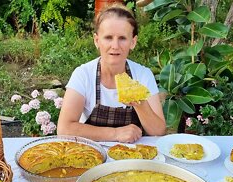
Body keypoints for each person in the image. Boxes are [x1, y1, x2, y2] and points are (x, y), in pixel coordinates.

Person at [57, 4, 166, 143]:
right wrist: (115, 134)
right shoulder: (83, 75)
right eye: (108, 37)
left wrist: (140, 103)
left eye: (122, 38)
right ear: (97, 41)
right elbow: (64, 129)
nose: (115, 46)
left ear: (133, 42)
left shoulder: (143, 75)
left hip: (135, 157)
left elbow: (158, 131)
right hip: (93, 154)